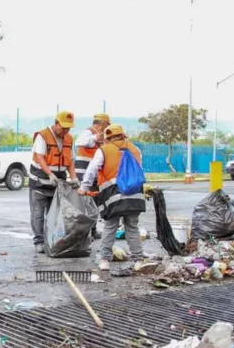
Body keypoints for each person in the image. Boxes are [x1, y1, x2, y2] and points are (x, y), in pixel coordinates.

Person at [78, 124, 146, 271]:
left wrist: (84, 188)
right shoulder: (135, 149)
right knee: (132, 228)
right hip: (136, 195)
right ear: (123, 136)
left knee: (110, 227)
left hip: (114, 196)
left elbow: (91, 170)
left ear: (107, 138)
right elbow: (140, 170)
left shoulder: (103, 150)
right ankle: (138, 260)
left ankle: (104, 260)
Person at [28, 110, 78, 253]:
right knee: (38, 214)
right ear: (56, 123)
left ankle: (51, 240)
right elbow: (39, 157)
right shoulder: (43, 136)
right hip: (39, 182)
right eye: (63, 127)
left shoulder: (69, 138)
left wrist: (73, 176)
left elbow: (70, 160)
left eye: (68, 128)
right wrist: (49, 173)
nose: (65, 131)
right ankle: (39, 241)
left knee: (54, 214)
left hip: (57, 183)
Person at [75, 113, 111, 240]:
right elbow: (80, 142)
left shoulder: (102, 138)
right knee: (86, 204)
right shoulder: (87, 133)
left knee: (94, 204)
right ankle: (85, 232)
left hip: (95, 176)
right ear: (102, 124)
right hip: (84, 173)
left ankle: (93, 229)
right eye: (107, 126)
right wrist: (96, 137)